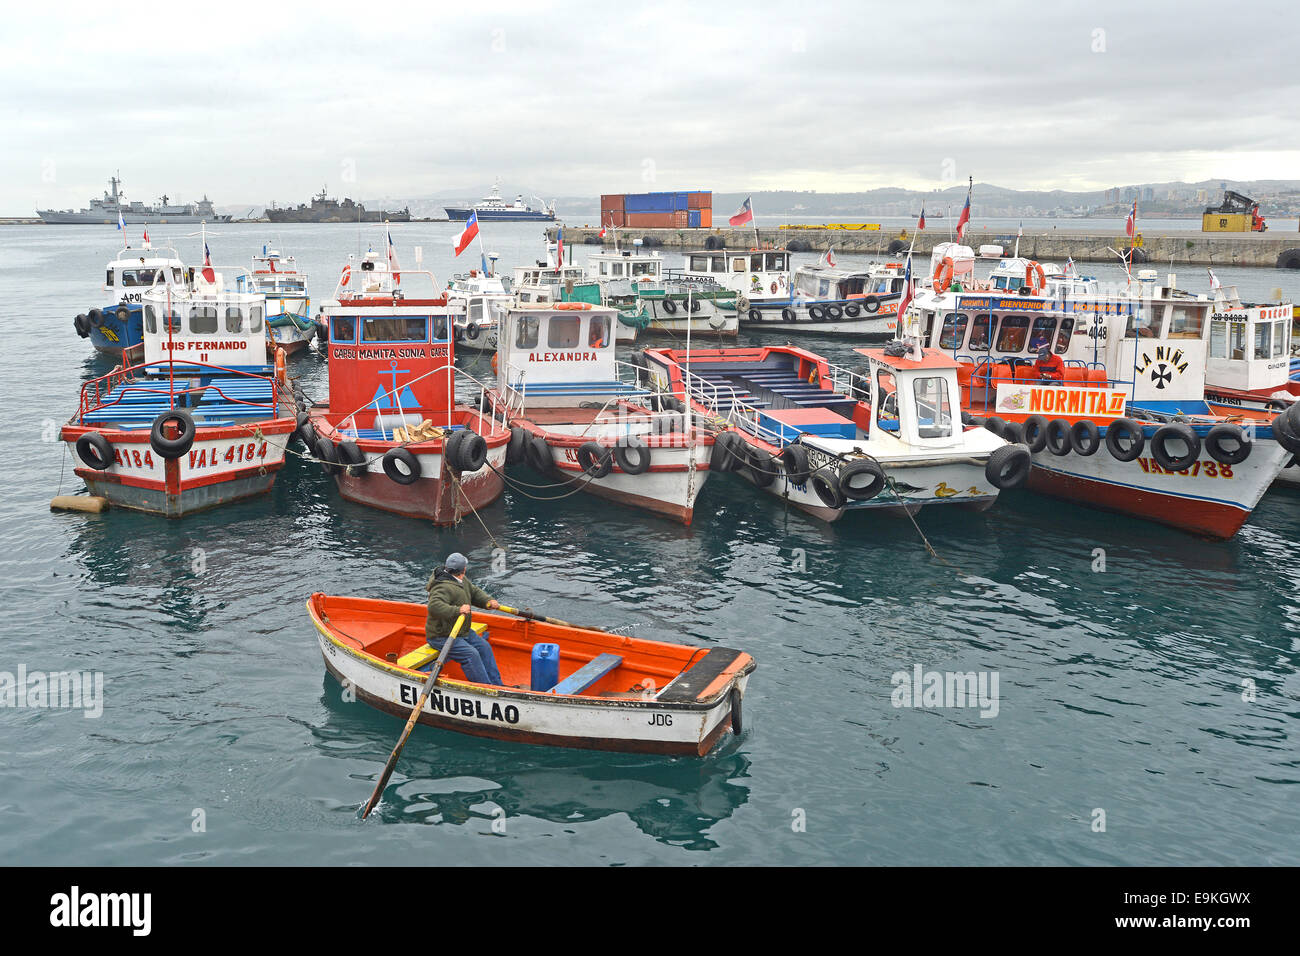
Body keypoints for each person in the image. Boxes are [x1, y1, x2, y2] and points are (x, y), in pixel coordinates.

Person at [425, 553, 503, 685]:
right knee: (471, 655)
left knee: (484, 647)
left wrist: (487, 601)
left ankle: (497, 685)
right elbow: (434, 607)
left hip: (462, 631)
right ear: (464, 569)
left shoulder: (462, 580)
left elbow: (474, 592)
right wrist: (458, 610)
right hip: (442, 636)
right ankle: (485, 689)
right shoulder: (442, 586)